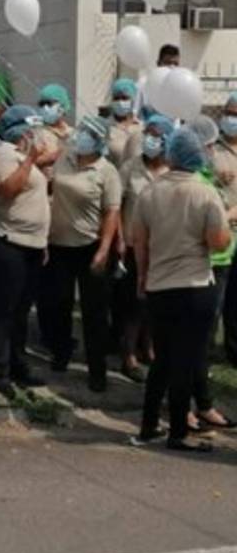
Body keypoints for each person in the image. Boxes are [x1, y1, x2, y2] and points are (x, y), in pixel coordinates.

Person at [132, 127, 230, 452]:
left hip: (160, 286)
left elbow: (140, 245)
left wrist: (142, 278)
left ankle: (147, 425)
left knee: (162, 360)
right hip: (195, 286)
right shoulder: (205, 193)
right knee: (186, 361)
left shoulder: (150, 192)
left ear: (171, 155)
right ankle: (178, 431)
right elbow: (218, 243)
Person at [43, 117, 122, 392]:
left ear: (99, 141)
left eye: (89, 135)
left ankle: (96, 370)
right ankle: (60, 353)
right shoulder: (65, 158)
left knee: (94, 312)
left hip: (90, 247)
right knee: (59, 304)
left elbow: (112, 212)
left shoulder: (107, 171)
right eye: (81, 132)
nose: (82, 138)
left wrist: (104, 249)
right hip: (59, 245)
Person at [0, 106, 50, 399]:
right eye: (30, 130)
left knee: (22, 311)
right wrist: (32, 159)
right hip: (9, 243)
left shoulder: (25, 159)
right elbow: (8, 189)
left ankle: (17, 362)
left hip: (34, 245)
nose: (33, 135)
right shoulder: (4, 156)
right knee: (4, 309)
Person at [183, 116, 236, 431]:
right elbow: (206, 229)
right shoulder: (194, 184)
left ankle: (203, 402)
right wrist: (229, 215)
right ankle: (184, 405)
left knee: (203, 341)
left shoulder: (208, 177)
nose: (211, 151)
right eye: (207, 146)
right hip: (203, 264)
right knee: (191, 340)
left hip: (222, 261)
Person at [114, 115, 174, 382]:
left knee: (155, 304)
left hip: (163, 249)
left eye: (156, 136)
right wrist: (117, 239)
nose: (150, 140)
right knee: (132, 305)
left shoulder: (173, 170)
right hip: (132, 246)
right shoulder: (130, 168)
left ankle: (149, 347)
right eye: (147, 134)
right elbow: (116, 206)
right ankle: (128, 356)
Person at [216, 93, 237, 367]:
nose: (232, 119)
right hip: (219, 229)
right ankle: (205, 345)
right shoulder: (212, 148)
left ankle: (233, 349)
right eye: (229, 113)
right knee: (216, 291)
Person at [35, 84, 73, 170]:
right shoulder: (36, 133)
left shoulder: (73, 133)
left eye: (49, 104)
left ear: (62, 106)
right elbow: (28, 162)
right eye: (42, 104)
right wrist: (53, 157)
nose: (45, 108)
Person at [106, 78, 141, 160]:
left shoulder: (141, 127)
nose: (120, 102)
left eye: (124, 98)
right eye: (116, 98)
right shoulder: (104, 128)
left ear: (133, 100)